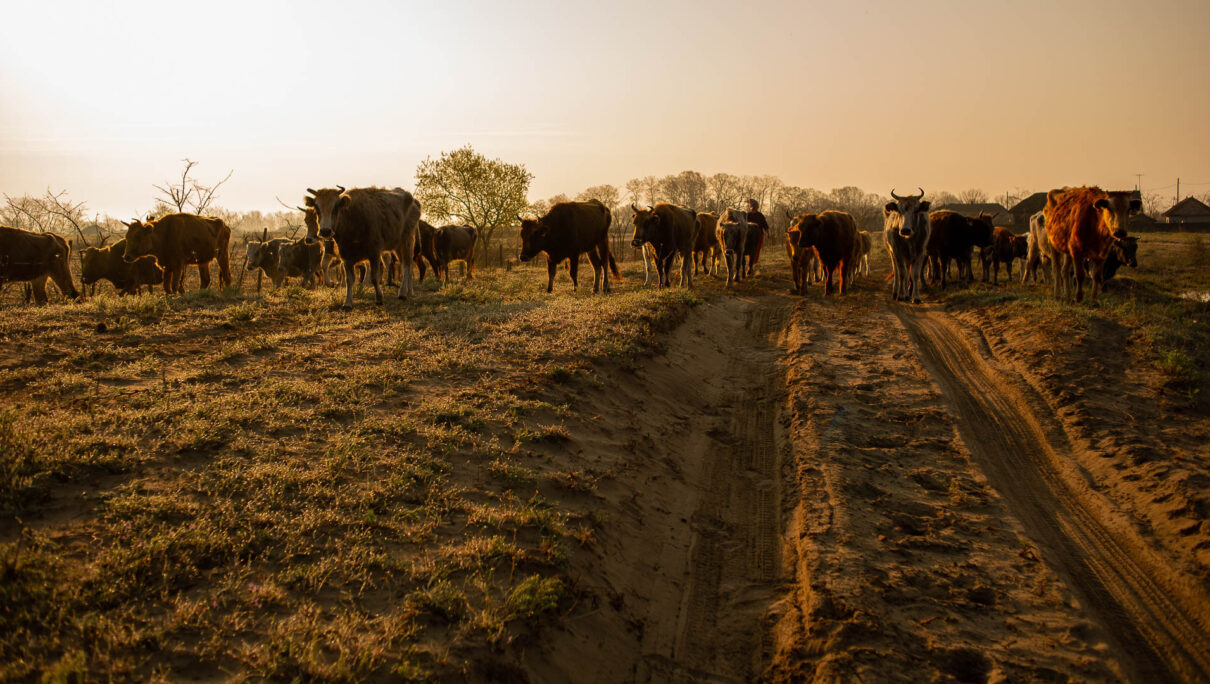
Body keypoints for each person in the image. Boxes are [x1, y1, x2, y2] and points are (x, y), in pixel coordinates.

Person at [746, 198, 770, 269]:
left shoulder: (760, 215)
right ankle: (750, 263)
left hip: (759, 235)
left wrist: (767, 233)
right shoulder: (747, 215)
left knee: (756, 250)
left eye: (757, 205)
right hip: (749, 236)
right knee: (749, 250)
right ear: (752, 206)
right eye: (755, 205)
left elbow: (765, 224)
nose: (757, 207)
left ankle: (753, 263)